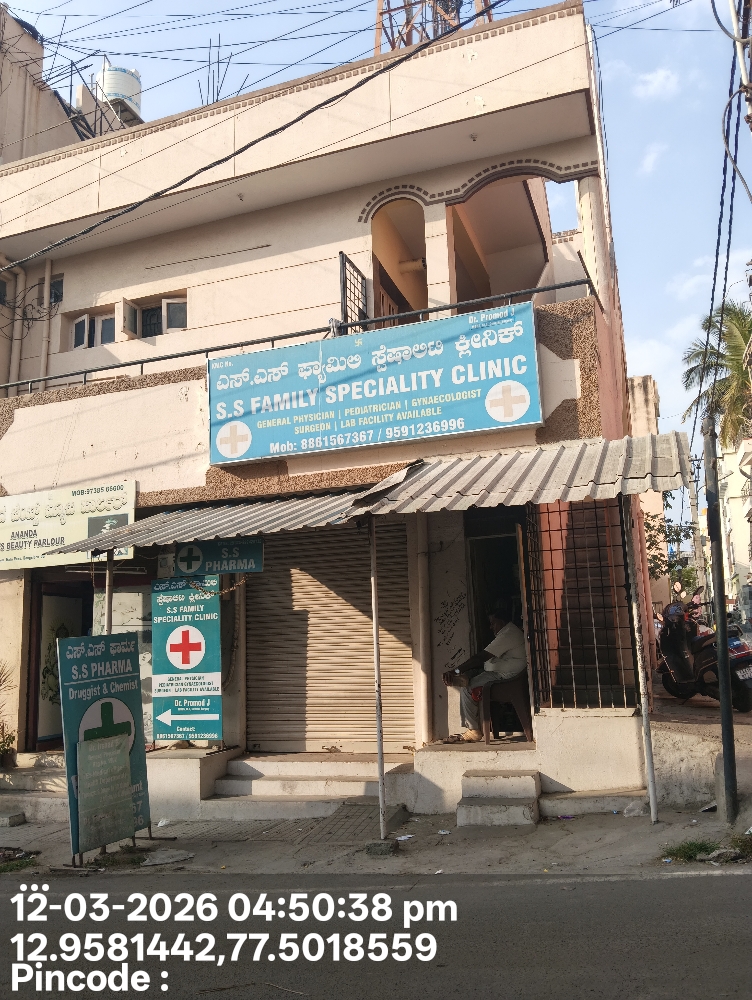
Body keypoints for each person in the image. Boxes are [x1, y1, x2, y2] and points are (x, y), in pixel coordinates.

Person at [443, 600, 528, 742]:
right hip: (499, 674)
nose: (491, 627)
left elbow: (481, 657)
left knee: (467, 688)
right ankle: (462, 677)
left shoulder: (508, 634)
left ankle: (473, 731)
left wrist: (456, 670)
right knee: (472, 674)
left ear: (501, 621)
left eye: (493, 623)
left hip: (506, 678)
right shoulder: (508, 632)